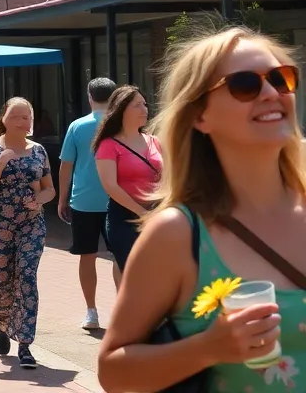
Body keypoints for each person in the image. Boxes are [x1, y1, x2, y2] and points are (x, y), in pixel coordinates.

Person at [98, 26, 304, 392]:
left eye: (280, 78)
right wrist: (208, 348)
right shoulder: (177, 234)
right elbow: (112, 372)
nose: (272, 93)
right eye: (245, 84)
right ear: (200, 115)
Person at [0, 97, 55, 369]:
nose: (23, 121)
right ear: (4, 119)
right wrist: (0, 164)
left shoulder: (38, 151)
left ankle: (25, 343)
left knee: (27, 276)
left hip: (30, 223)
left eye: (27, 116)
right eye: (17, 116)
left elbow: (49, 188)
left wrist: (39, 200)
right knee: (3, 281)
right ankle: (2, 322)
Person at [58, 76, 118, 329]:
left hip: (83, 201)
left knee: (87, 255)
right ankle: (123, 311)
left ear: (89, 97)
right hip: (118, 199)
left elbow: (66, 165)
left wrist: (62, 199)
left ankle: (91, 311)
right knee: (120, 256)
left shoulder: (77, 126)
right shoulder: (122, 124)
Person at [92, 85, 162, 272]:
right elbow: (110, 185)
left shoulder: (154, 141)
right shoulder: (109, 145)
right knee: (137, 274)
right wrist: (142, 213)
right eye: (137, 105)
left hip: (156, 213)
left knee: (160, 274)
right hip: (125, 219)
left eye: (145, 104)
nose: (144, 109)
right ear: (121, 109)